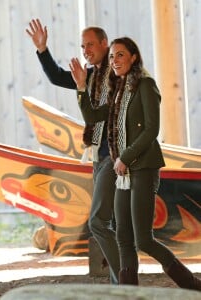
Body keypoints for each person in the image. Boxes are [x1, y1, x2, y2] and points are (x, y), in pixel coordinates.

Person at [73, 36, 201, 290]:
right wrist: (80, 87)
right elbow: (93, 116)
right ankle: (128, 295)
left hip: (142, 167)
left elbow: (152, 130)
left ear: (133, 57)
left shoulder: (145, 85)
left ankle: (192, 285)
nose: (114, 60)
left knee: (143, 239)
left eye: (120, 55)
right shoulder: (117, 91)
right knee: (123, 238)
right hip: (124, 171)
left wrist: (124, 157)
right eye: (111, 56)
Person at [26, 18, 119, 284]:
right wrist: (42, 49)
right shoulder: (87, 75)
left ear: (105, 43)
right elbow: (56, 76)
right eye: (82, 46)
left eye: (91, 44)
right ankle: (119, 280)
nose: (86, 50)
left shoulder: (118, 74)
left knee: (101, 222)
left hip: (117, 156)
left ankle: (122, 280)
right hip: (100, 157)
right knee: (107, 222)